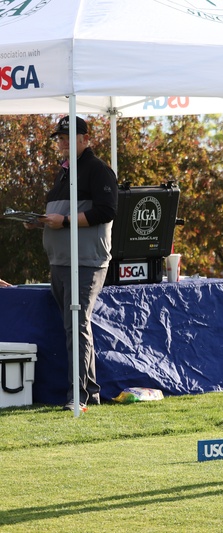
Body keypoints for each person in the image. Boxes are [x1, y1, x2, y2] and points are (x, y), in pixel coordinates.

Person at [25, 116, 118, 412]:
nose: (63, 142)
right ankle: (90, 392)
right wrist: (40, 222)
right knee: (74, 327)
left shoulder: (98, 170)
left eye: (69, 137)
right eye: (60, 138)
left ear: (85, 139)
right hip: (62, 262)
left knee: (76, 326)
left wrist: (63, 221)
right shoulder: (64, 172)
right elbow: (62, 215)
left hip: (86, 261)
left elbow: (107, 210)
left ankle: (77, 397)